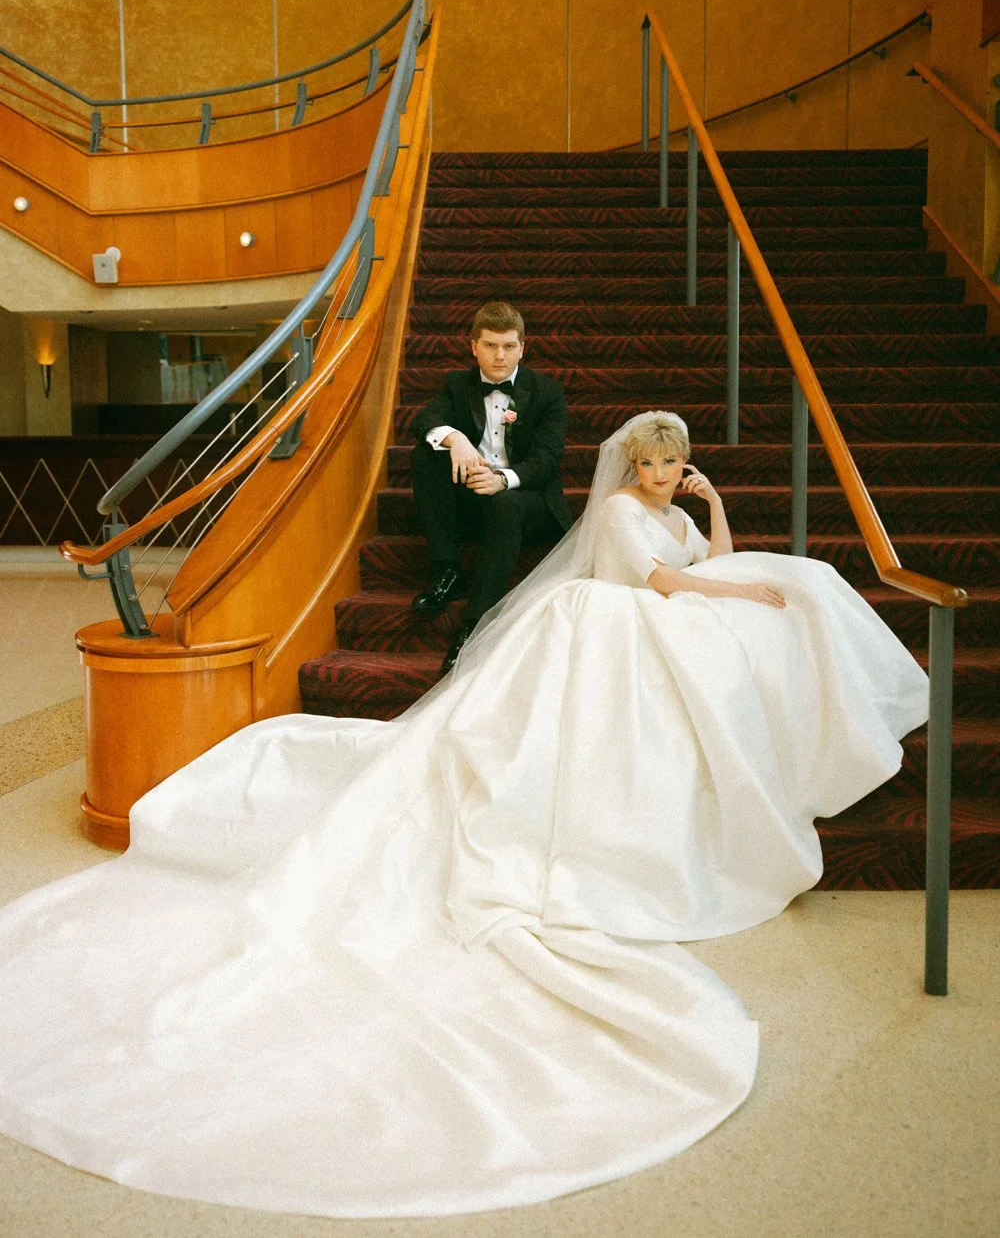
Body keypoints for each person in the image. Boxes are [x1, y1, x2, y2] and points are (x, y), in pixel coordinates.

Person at [0, 412, 928, 1219]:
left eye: (671, 463)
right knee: (706, 640)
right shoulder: (616, 514)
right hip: (611, 625)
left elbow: (708, 556)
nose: (659, 476)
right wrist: (734, 589)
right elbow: (665, 587)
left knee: (771, 608)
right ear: (630, 467)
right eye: (651, 464)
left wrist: (716, 506)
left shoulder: (684, 511)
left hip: (660, 619)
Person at [410, 299, 572, 671]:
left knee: (507, 504)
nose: (500, 356)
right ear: (474, 347)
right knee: (425, 455)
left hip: (528, 503)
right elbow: (425, 420)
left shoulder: (547, 392)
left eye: (509, 346)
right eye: (490, 345)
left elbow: (547, 461)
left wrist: (502, 480)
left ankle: (473, 624)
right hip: (475, 496)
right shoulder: (457, 384)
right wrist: (456, 439)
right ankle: (447, 571)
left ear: (522, 348)